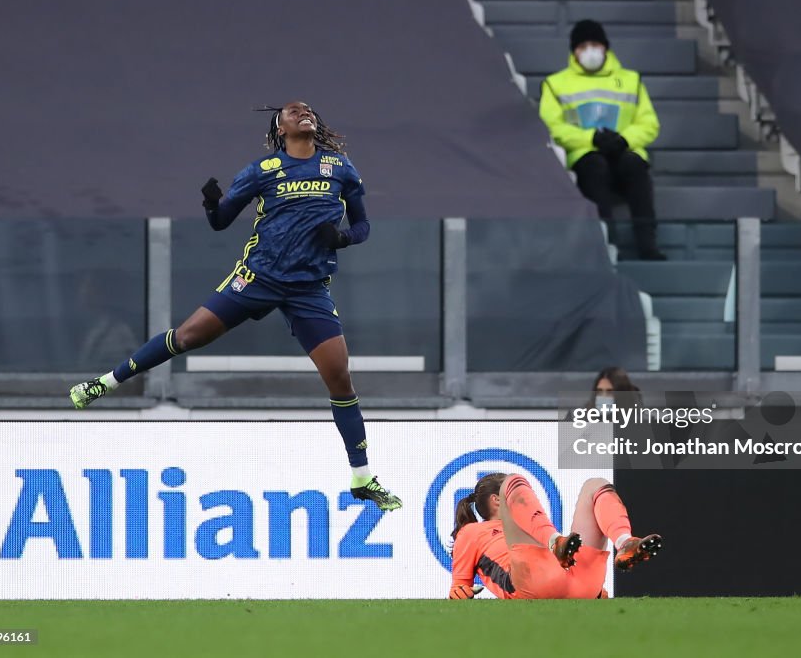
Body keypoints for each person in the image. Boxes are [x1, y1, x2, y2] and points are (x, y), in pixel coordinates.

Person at [68, 101, 402, 512]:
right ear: (280, 129)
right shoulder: (262, 171)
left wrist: (344, 239)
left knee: (340, 378)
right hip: (257, 278)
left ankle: (362, 478)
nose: (303, 112)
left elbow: (363, 225)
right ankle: (105, 382)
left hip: (309, 288)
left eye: (308, 109)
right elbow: (221, 221)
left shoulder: (340, 168)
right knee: (188, 336)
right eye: (293, 111)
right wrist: (212, 203)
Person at [539, 20, 666, 261]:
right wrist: (591, 139)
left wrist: (624, 140)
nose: (589, 51)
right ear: (574, 51)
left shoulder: (630, 80)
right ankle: (606, 243)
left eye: (595, 44)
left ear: (605, 47)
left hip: (623, 152)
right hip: (586, 154)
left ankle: (648, 244)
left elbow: (649, 123)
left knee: (635, 167)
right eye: (583, 46)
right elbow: (552, 127)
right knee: (594, 167)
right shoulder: (556, 84)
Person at [448, 473, 662, 600]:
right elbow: (459, 585)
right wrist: (460, 593)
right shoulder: (471, 532)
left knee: (594, 484)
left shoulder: (535, 525)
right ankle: (554, 543)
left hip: (573, 581)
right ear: (498, 500)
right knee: (513, 481)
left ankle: (624, 541)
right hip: (530, 582)